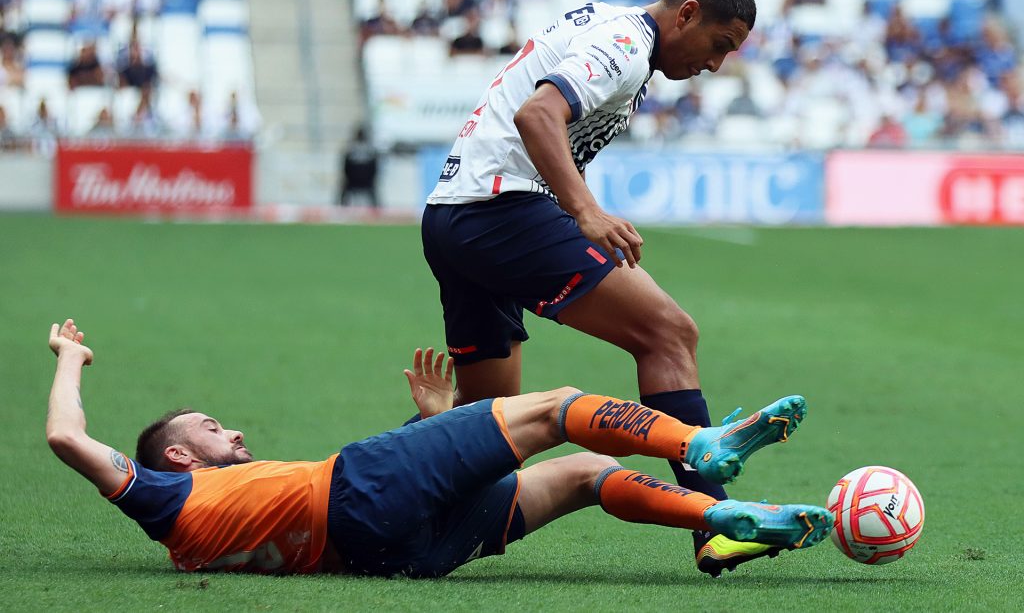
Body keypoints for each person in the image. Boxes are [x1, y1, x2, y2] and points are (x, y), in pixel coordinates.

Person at [420, 0, 769, 577]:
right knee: (668, 332)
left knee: (488, 420)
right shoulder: (628, 45)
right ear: (686, 13)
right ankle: (716, 522)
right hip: (500, 207)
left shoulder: (615, 28)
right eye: (719, 45)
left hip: (454, 216)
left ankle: (351, 505)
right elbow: (536, 115)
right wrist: (584, 210)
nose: (716, 65)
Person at [46, 318, 833, 577]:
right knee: (557, 407)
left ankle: (724, 519)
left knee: (589, 474)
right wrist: (71, 360)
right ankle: (704, 441)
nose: (234, 431)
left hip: (392, 553)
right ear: (176, 458)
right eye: (211, 430)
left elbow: (378, 516)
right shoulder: (162, 495)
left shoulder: (199, 532)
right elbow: (65, 435)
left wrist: (433, 428)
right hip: (359, 488)